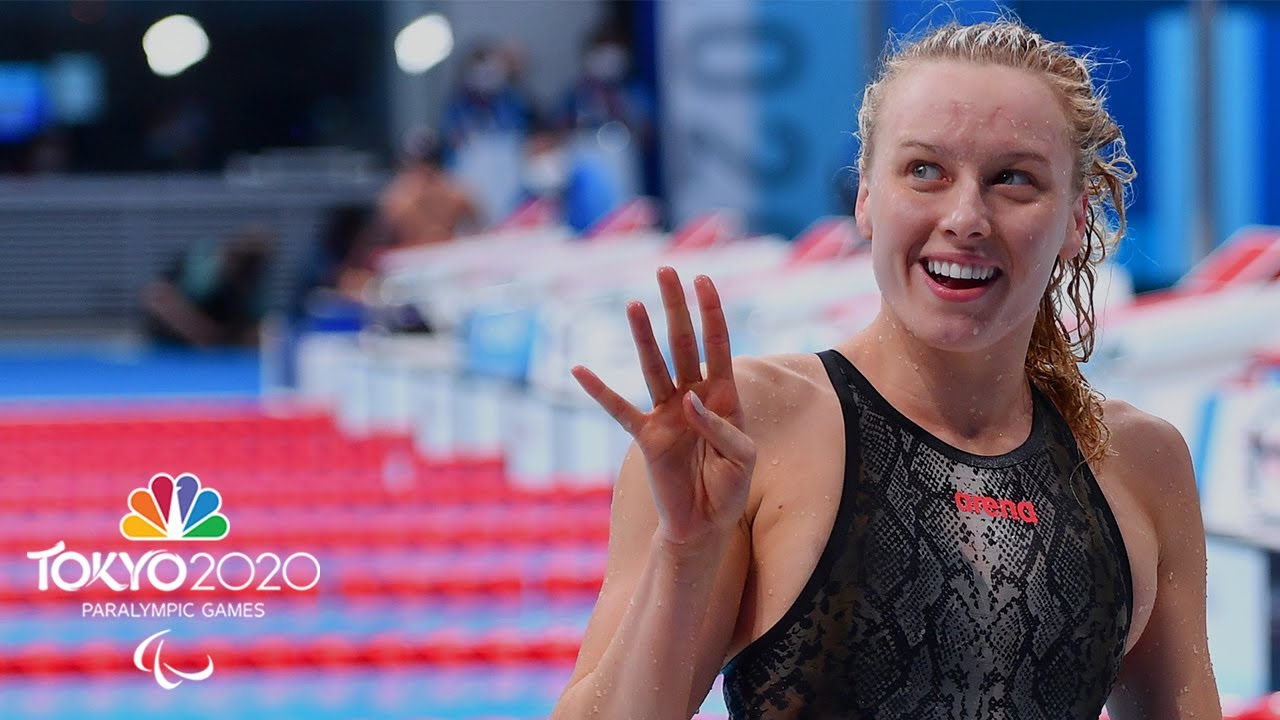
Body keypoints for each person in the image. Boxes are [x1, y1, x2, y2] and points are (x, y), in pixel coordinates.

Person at [552, 19, 1220, 720]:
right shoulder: (747, 429)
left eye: (1013, 179)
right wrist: (685, 553)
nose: (965, 217)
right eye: (925, 170)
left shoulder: (1138, 462)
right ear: (867, 198)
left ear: (1076, 220)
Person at [142, 224, 274, 348]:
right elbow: (156, 297)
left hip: (222, 353)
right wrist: (203, 333)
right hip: (170, 346)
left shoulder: (251, 284)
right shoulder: (201, 268)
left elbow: (259, 327)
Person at [377, 127, 481, 247]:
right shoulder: (457, 190)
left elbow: (382, 239)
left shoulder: (397, 197)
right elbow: (478, 230)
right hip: (438, 254)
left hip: (419, 257)